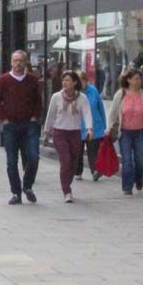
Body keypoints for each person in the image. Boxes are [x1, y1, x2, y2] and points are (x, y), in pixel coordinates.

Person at [0, 50, 44, 205]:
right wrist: (3, 119)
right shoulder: (4, 80)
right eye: (15, 60)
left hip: (29, 125)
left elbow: (38, 101)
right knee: (11, 161)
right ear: (11, 62)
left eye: (21, 60)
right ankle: (16, 192)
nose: (18, 64)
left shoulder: (32, 80)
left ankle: (27, 185)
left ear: (26, 62)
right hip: (11, 125)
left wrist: (35, 117)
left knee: (33, 156)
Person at [42, 71, 93, 203]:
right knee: (65, 161)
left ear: (75, 82)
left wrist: (89, 129)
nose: (64, 83)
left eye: (68, 80)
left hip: (75, 133)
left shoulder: (82, 98)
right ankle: (66, 190)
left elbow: (87, 114)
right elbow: (50, 115)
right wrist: (47, 132)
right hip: (60, 133)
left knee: (74, 162)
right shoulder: (56, 97)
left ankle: (67, 182)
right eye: (63, 80)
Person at [106, 68, 143, 196]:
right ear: (128, 80)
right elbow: (112, 113)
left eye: (140, 79)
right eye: (136, 79)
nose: (139, 81)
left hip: (141, 132)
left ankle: (138, 179)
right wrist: (108, 128)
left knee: (140, 160)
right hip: (125, 133)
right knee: (127, 160)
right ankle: (127, 187)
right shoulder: (120, 94)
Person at [75, 71, 107, 181]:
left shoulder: (93, 91)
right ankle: (78, 172)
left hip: (94, 126)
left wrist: (104, 125)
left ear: (85, 80)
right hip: (78, 127)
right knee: (78, 152)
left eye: (82, 80)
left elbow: (100, 107)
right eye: (78, 81)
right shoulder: (73, 93)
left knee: (93, 151)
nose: (80, 83)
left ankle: (95, 171)